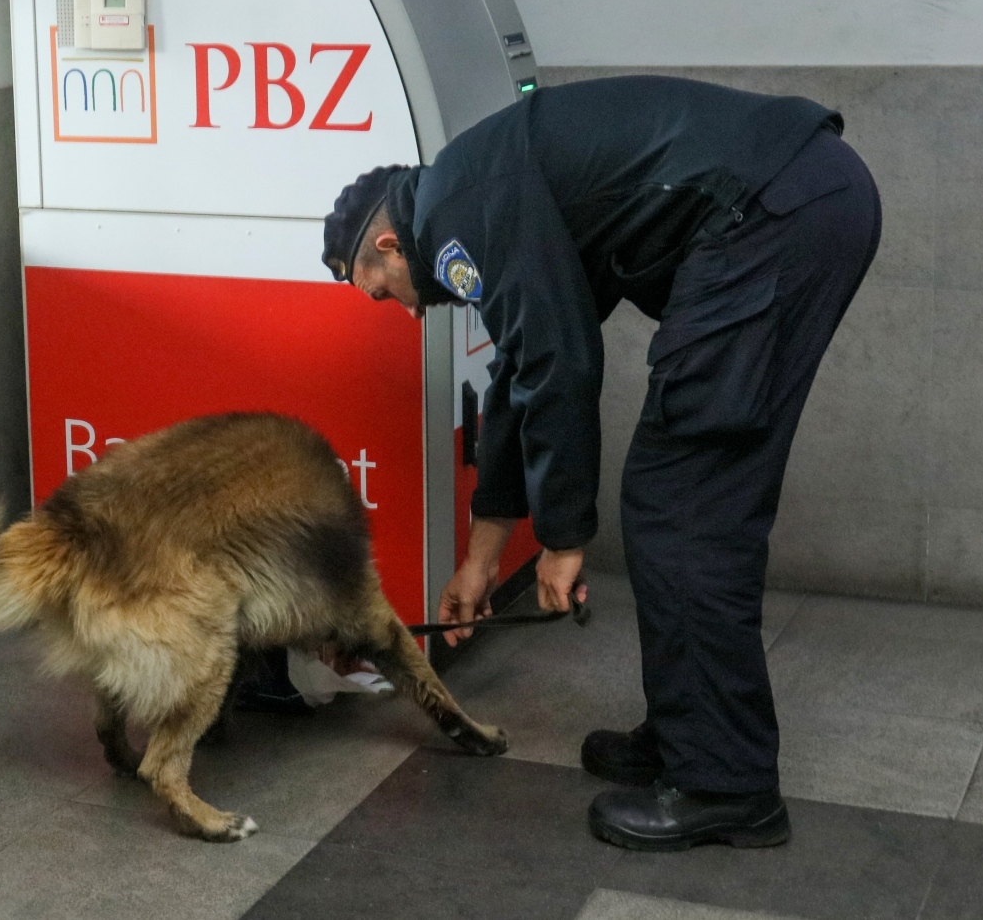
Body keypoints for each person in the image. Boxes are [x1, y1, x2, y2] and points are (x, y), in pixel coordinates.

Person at [321, 75, 880, 851]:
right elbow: (523, 371)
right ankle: (692, 737)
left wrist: (564, 538)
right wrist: (481, 562)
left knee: (683, 502)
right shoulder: (464, 191)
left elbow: (561, 359)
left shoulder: (453, 222)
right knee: (682, 499)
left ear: (388, 244)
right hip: (792, 199)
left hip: (772, 215)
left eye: (383, 292)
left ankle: (727, 782)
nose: (409, 311)